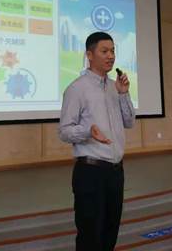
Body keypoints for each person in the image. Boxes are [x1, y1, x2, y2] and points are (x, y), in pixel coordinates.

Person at [58, 31, 135, 251]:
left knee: (111, 232)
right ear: (89, 55)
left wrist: (124, 94)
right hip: (90, 173)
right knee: (90, 236)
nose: (111, 56)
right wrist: (87, 132)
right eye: (104, 51)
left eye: (113, 51)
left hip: (115, 172)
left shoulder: (114, 87)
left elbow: (129, 122)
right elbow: (64, 131)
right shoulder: (76, 89)